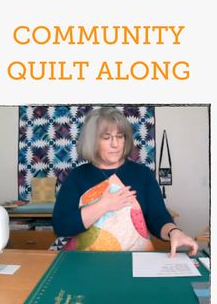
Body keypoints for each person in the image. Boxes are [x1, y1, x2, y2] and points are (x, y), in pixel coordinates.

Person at [52, 107, 198, 257]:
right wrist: (103, 205)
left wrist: (174, 232)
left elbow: (158, 216)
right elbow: (62, 226)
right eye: (106, 137)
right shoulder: (77, 176)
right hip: (90, 262)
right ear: (92, 141)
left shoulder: (142, 174)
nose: (115, 144)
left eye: (120, 136)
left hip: (137, 261)